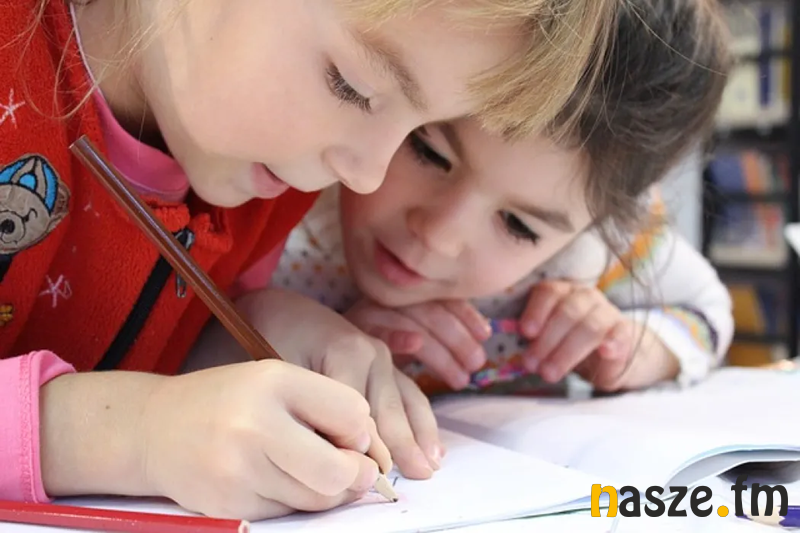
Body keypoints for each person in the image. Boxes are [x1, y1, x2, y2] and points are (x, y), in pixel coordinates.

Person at [0, 0, 617, 521]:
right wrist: (134, 435)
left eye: (418, 129)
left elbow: (123, 348)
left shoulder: (264, 178)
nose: (368, 175)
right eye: (354, 87)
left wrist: (244, 332)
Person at [268, 0, 734, 398]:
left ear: (597, 225)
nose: (439, 236)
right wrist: (300, 337)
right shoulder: (280, 188)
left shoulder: (598, 253)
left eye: (518, 226)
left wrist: (635, 348)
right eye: (428, 153)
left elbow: (707, 311)